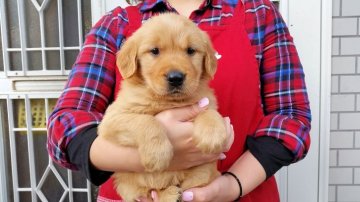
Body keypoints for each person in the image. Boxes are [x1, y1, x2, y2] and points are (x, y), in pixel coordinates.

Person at [47, 0, 311, 201]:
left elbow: (291, 120)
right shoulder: (115, 24)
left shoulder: (258, 14)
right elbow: (65, 127)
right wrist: (147, 154)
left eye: (189, 51)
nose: (175, 69)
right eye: (155, 51)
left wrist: (232, 185)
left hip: (239, 193)